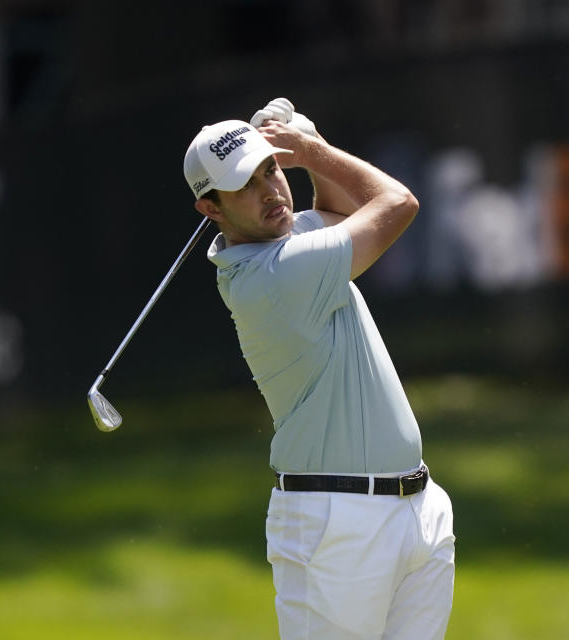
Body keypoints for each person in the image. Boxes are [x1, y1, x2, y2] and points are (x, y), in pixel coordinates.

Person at [183, 98, 455, 640]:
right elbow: (396, 203)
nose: (270, 190)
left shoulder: (289, 240)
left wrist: (308, 158)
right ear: (211, 208)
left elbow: (338, 212)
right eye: (246, 184)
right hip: (337, 527)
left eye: (271, 169)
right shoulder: (272, 276)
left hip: (413, 509)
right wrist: (312, 150)